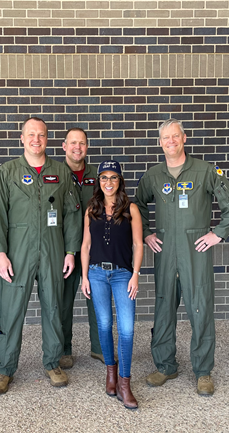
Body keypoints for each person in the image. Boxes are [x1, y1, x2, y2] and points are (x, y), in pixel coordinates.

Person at [135, 118, 229, 396]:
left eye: (175, 136)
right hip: (166, 253)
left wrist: (218, 233)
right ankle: (165, 365)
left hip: (196, 253)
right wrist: (146, 232)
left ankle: (203, 371)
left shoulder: (204, 171)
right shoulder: (153, 175)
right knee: (163, 309)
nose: (170, 142)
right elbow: (137, 205)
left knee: (201, 310)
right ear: (160, 143)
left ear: (184, 138)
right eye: (165, 138)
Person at [0, 117, 83, 394]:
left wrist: (70, 251)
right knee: (11, 308)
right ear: (22, 138)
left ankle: (52, 362)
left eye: (41, 135)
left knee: (54, 306)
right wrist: (0, 254)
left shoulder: (60, 172)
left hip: (53, 249)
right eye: (31, 135)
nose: (36, 140)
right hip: (17, 251)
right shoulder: (7, 172)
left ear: (47, 139)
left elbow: (73, 213)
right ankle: (5, 368)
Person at [81, 160, 143, 409]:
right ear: (99, 181)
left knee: (127, 329)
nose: (109, 182)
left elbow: (138, 244)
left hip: (122, 275)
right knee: (104, 325)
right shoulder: (91, 209)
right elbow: (85, 246)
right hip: (96, 274)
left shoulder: (131, 209)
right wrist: (84, 276)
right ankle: (110, 373)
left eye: (113, 177)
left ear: (120, 181)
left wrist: (136, 274)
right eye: (104, 177)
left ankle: (125, 384)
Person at [59, 127, 102, 369]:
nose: (78, 147)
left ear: (87, 147)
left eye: (82, 143)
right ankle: (65, 349)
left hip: (93, 249)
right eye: (73, 143)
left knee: (97, 299)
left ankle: (99, 347)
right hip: (63, 249)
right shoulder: (53, 174)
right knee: (64, 302)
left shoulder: (97, 175)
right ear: (64, 146)